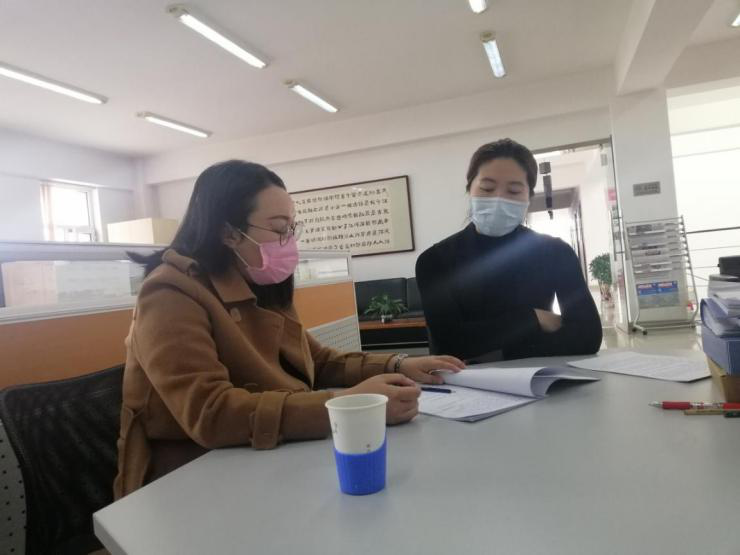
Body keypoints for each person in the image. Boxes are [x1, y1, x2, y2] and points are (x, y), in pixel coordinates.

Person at [114, 160, 464, 498]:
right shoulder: (170, 292)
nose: (289, 242)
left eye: (292, 229)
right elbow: (211, 412)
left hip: (264, 457)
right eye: (280, 229)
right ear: (228, 232)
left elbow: (317, 360)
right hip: (191, 480)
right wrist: (345, 406)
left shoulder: (259, 282)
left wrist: (399, 364)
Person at [415, 138, 602, 363]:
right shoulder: (434, 261)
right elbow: (450, 344)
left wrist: (496, 350)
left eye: (513, 191)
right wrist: (534, 318)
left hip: (539, 377)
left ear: (528, 197)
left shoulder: (556, 252)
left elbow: (588, 336)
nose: (498, 199)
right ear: (469, 189)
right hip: (463, 382)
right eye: (487, 188)